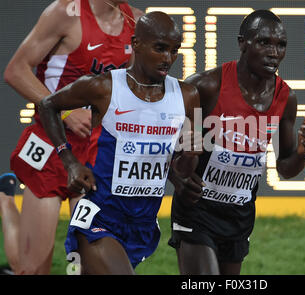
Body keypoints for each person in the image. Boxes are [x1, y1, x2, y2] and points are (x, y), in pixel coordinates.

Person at [39, 11, 201, 275]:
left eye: (174, 50)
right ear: (136, 43)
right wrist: (69, 161)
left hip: (142, 223)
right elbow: (48, 105)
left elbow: (179, 161)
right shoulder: (104, 87)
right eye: (160, 49)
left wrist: (182, 171)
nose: (168, 59)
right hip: (100, 217)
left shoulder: (187, 96)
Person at [168, 10, 305, 275]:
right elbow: (163, 146)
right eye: (264, 42)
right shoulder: (205, 87)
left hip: (239, 216)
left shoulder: (286, 98)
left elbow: (285, 169)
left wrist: (301, 152)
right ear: (242, 43)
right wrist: (177, 177)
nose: (274, 52)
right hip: (197, 210)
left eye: (280, 45)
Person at [3, 0, 143, 274]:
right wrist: (65, 112)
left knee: (91, 264)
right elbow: (15, 70)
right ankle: (5, 200)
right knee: (30, 269)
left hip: (95, 154)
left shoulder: (135, 21)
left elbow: (131, 92)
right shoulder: (65, 12)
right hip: (52, 145)